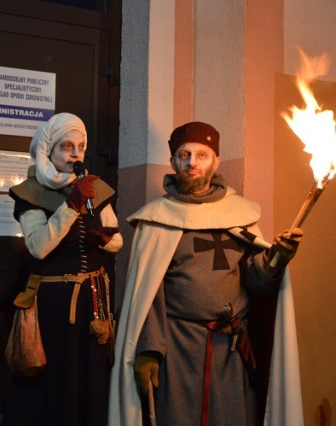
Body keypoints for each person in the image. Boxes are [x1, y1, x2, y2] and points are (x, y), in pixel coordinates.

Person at [109, 122, 305, 426]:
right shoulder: (157, 219)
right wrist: (149, 349)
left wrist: (277, 258)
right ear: (173, 162)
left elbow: (257, 282)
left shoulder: (239, 215)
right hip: (177, 348)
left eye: (202, 155)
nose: (192, 162)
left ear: (216, 162)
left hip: (230, 349)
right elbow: (148, 294)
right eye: (184, 155)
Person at [3, 112, 123, 425]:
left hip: (93, 303)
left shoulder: (95, 188)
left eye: (80, 147)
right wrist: (70, 206)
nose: (75, 154)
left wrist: (102, 240)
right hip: (53, 308)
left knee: (91, 376)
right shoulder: (30, 192)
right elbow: (38, 247)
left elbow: (118, 242)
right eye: (66, 146)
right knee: (57, 379)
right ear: (48, 150)